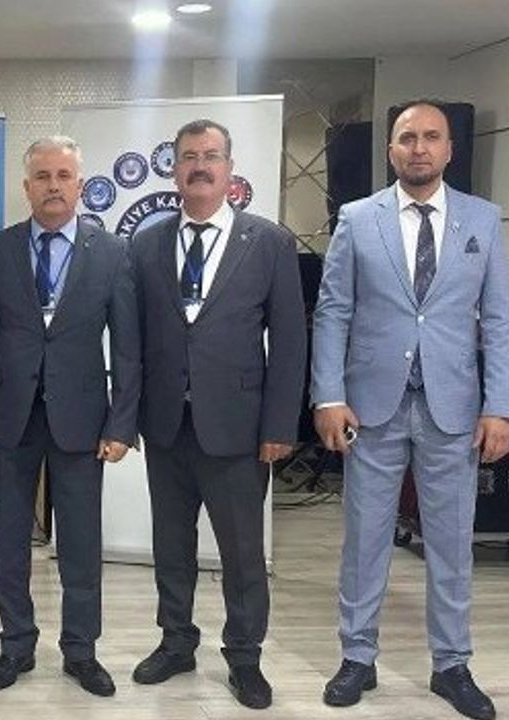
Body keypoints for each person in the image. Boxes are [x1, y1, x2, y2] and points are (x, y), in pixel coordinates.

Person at [312, 99, 509, 720]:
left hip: (453, 409)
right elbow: (333, 312)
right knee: (365, 539)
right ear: (391, 149)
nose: (419, 148)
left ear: (449, 149)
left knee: (451, 544)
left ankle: (451, 664)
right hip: (371, 408)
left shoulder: (483, 219)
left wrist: (501, 406)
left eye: (431, 137)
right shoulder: (357, 219)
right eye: (407, 138)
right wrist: (328, 395)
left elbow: (499, 321)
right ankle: (357, 656)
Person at [127, 119, 305, 710]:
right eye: (188, 157)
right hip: (166, 426)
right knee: (171, 546)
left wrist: (280, 426)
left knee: (242, 554)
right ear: (174, 169)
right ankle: (176, 642)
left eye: (211, 156)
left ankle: (245, 658)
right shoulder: (146, 244)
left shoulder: (269, 243)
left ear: (230, 168)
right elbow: (133, 341)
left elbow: (290, 342)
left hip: (240, 430)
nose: (199, 166)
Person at [0, 136, 136, 697]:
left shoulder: (112, 253)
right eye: (43, 176)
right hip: (11, 417)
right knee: (9, 540)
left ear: (80, 186)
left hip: (83, 421)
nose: (53, 186)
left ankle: (81, 651)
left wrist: (121, 424)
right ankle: (16, 645)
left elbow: (128, 348)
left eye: (63, 176)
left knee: (81, 542)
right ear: (26, 186)